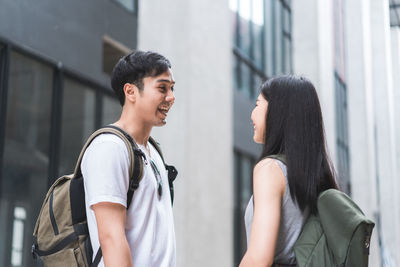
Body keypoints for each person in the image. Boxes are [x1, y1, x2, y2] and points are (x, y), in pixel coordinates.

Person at [81, 50, 176, 267]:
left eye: (172, 88)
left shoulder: (153, 150)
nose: (171, 97)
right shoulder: (109, 148)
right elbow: (111, 239)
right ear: (131, 92)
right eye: (162, 88)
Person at [239, 75, 339, 267]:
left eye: (258, 104)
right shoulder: (314, 173)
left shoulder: (270, 169)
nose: (252, 114)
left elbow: (259, 259)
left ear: (277, 112)